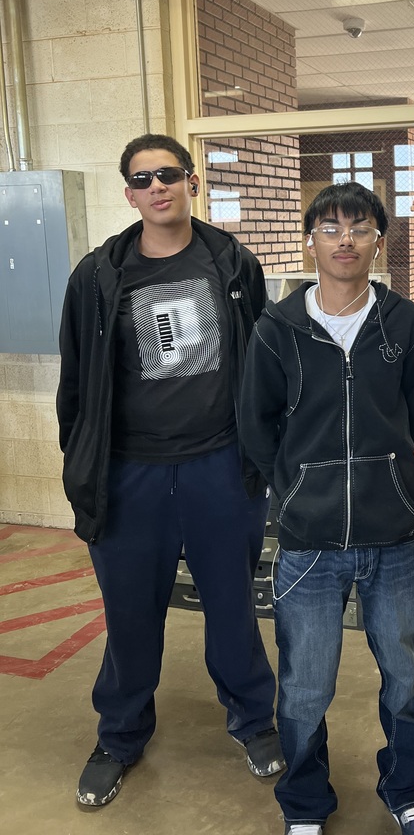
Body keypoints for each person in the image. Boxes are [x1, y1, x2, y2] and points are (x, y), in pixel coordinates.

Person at [56, 133, 284, 809]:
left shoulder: (233, 264)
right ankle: (120, 735)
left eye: (169, 174)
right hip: (132, 476)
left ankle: (253, 720)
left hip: (220, 467)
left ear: (190, 183)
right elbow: (76, 388)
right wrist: (84, 465)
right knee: (130, 616)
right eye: (143, 179)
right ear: (129, 194)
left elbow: (262, 364)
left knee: (232, 606)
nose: (158, 187)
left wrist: (263, 454)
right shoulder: (98, 277)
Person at [239, 181, 414, 835]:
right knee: (304, 686)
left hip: (393, 539)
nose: (345, 239)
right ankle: (304, 804)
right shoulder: (278, 328)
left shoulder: (403, 322)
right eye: (331, 227)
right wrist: (295, 489)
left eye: (359, 227)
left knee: (406, 673)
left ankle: (407, 790)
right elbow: (255, 423)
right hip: (308, 543)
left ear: (379, 240)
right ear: (312, 240)